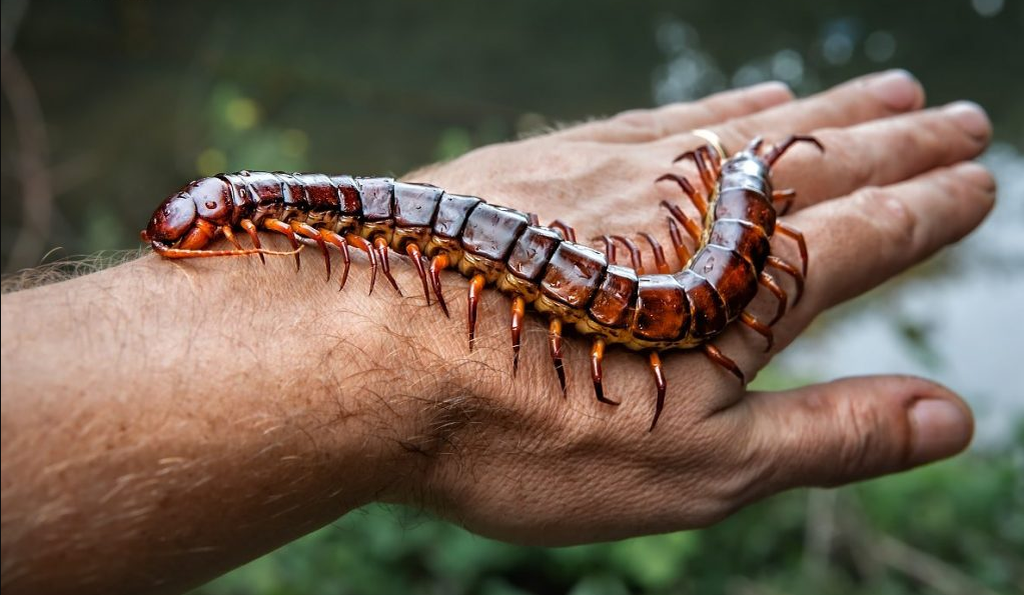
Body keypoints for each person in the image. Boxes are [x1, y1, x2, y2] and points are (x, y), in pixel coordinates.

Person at [0, 70, 994, 595]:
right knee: (443, 245)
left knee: (535, 265)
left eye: (203, 227)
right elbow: (403, 235)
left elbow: (671, 296)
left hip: (668, 299)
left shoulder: (315, 214)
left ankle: (741, 189)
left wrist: (724, 220)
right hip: (627, 260)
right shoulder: (309, 215)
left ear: (239, 215)